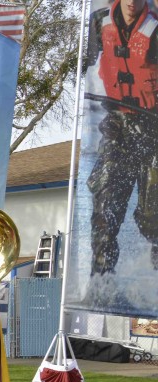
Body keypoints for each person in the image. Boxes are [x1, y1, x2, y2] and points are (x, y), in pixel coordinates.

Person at [84, 0, 158, 278]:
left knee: (153, 217)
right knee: (104, 205)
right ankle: (102, 280)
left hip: (154, 128)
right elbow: (82, 64)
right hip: (117, 127)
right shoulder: (99, 23)